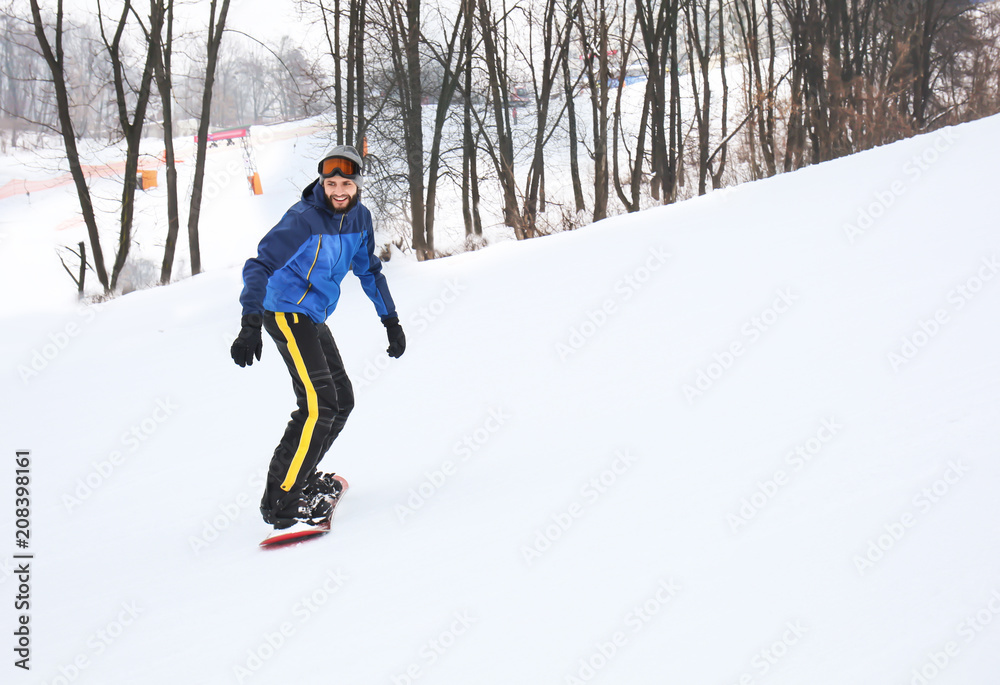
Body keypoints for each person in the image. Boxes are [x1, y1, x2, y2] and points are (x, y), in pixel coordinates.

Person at [230, 145, 405, 531]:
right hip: (285, 311)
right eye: (331, 183)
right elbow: (258, 265)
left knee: (341, 401)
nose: (338, 191)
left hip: (311, 314)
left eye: (346, 183)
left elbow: (369, 271)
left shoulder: (360, 219)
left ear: (357, 184)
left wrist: (389, 319)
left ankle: (301, 477)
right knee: (317, 405)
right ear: (321, 184)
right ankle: (282, 502)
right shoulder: (303, 220)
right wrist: (250, 321)